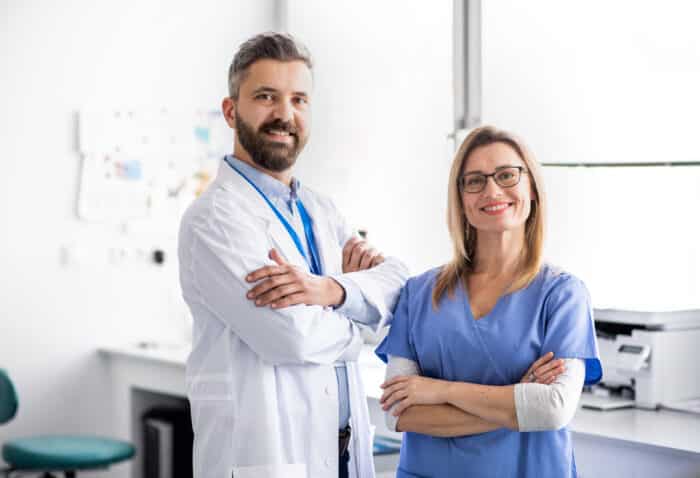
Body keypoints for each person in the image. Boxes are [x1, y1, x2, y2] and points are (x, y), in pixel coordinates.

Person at [178, 33, 409, 478]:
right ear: (231, 111)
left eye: (299, 99)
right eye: (266, 96)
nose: (285, 114)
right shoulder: (216, 219)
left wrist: (329, 291)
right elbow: (292, 338)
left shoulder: (320, 209)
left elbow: (400, 284)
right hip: (268, 456)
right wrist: (364, 318)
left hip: (341, 453)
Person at [376, 126, 603, 477]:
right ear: (461, 199)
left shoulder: (562, 295)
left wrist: (438, 390)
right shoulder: (418, 293)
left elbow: (553, 409)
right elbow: (397, 414)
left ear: (531, 187)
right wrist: (515, 401)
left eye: (506, 175)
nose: (492, 190)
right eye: (475, 181)